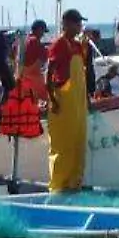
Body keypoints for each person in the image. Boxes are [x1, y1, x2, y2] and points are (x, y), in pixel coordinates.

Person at [46, 10, 91, 191]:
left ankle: (74, 184)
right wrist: (52, 99)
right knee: (62, 146)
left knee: (78, 143)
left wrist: (87, 98)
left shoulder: (78, 46)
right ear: (67, 24)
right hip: (63, 101)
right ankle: (57, 187)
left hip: (78, 102)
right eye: (77, 23)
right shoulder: (59, 45)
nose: (80, 26)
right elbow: (49, 73)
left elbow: (82, 75)